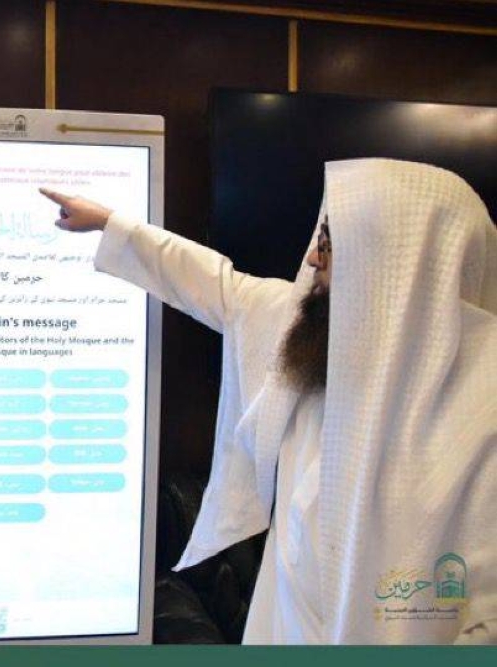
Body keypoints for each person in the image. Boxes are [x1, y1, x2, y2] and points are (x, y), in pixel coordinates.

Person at [41, 158, 496, 644]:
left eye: (329, 243)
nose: (313, 259)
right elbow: (216, 286)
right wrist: (111, 223)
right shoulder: (316, 330)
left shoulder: (483, 399)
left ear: (393, 252)